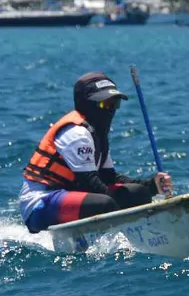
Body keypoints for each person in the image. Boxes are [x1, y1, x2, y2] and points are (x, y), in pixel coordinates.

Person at [18, 72, 173, 234]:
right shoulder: (76, 133)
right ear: (87, 105)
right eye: (105, 105)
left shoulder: (97, 134)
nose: (111, 110)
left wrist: (152, 185)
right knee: (104, 204)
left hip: (70, 194)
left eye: (115, 104)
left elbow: (109, 177)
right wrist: (125, 207)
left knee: (137, 193)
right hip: (40, 205)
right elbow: (90, 184)